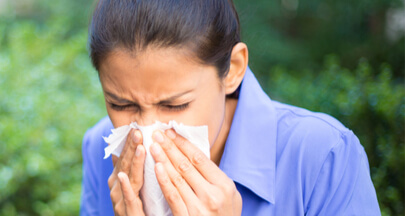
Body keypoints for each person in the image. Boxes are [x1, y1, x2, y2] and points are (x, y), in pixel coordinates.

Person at [79, 0, 381, 215]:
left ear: (233, 69)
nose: (147, 131)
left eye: (175, 104)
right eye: (121, 104)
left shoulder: (322, 157)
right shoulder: (100, 149)